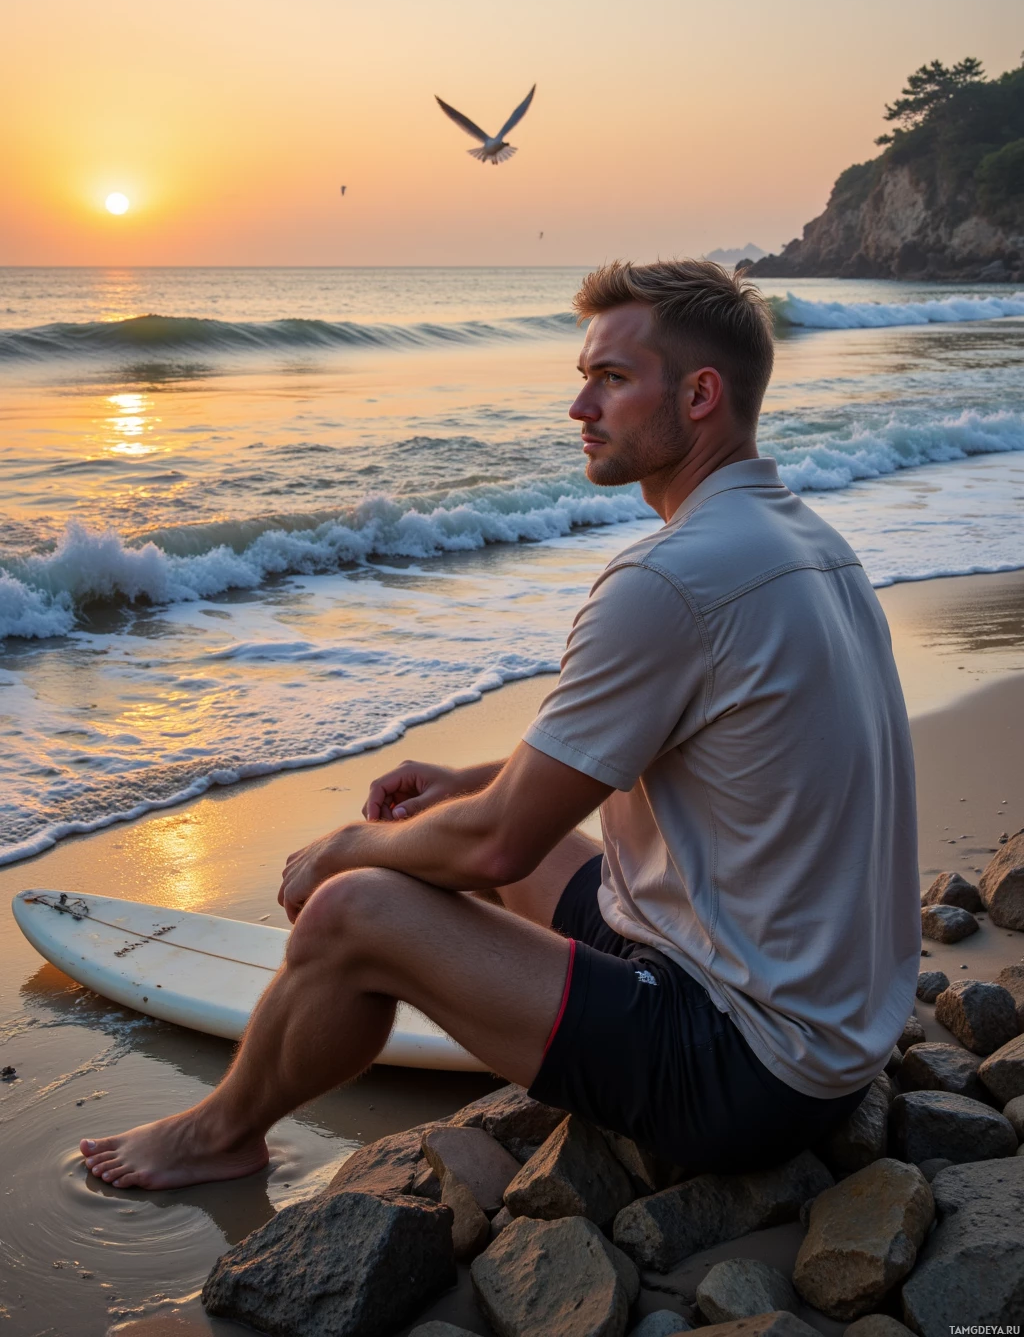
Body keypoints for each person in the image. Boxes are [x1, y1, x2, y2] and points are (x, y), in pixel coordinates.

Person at [80, 259, 919, 1191]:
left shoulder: (669, 580)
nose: (579, 408)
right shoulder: (808, 544)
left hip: (746, 1069)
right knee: (458, 830)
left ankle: (220, 1133)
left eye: (611, 379)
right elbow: (649, 750)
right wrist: (468, 784)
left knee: (357, 901)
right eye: (582, 377)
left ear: (700, 394)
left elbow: (493, 851)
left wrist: (341, 850)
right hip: (831, 1030)